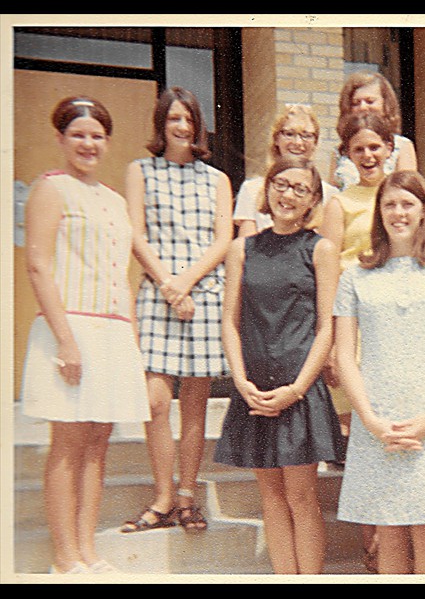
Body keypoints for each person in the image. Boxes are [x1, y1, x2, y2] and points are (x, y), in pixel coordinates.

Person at [20, 96, 150, 574]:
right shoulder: (51, 189)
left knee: (99, 442)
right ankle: (64, 559)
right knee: (69, 443)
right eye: (78, 134)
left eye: (97, 135)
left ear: (108, 142)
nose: (88, 144)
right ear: (60, 139)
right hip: (69, 328)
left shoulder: (115, 200)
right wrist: (66, 341)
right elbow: (38, 265)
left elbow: (122, 276)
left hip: (113, 332)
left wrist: (130, 341)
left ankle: (88, 553)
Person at [333, 170, 425, 575]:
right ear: (378, 213)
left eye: (407, 204)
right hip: (378, 420)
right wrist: (371, 420)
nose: (398, 212)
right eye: (389, 204)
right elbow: (344, 355)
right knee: (389, 527)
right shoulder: (355, 277)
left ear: (423, 212)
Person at [213, 156, 345, 574]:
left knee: (302, 497)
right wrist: (241, 381)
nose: (288, 194)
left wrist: (298, 388)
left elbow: (327, 329)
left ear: (313, 200)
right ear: (266, 191)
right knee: (270, 496)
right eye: (281, 185)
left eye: (300, 189)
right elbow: (230, 324)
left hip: (297, 390)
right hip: (254, 389)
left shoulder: (320, 249)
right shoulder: (242, 248)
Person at [121, 86, 233, 533]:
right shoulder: (140, 171)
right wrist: (169, 286)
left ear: (198, 125)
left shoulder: (217, 179)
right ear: (161, 125)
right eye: (173, 119)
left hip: (203, 295)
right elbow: (136, 234)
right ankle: (162, 494)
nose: (182, 127)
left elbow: (222, 240)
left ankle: (186, 496)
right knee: (155, 401)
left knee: (195, 405)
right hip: (158, 294)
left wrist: (186, 283)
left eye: (188, 119)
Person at [318, 111, 396, 570]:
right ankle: (371, 538)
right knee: (359, 439)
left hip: (394, 326)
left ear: (389, 148)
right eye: (358, 148)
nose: (368, 156)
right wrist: (329, 342)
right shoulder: (338, 204)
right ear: (346, 153)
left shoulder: (403, 194)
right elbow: (328, 274)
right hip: (354, 327)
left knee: (389, 426)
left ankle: (390, 533)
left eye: (375, 147)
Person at [233, 103, 336, 237]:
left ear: (315, 142)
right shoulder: (251, 189)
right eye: (289, 134)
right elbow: (246, 247)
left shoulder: (330, 194)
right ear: (276, 138)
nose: (298, 142)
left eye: (306, 136)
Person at [328, 70, 417, 190]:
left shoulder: (402, 146)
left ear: (385, 104)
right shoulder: (339, 151)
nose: (363, 107)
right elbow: (331, 192)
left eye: (370, 101)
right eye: (355, 103)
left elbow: (408, 190)